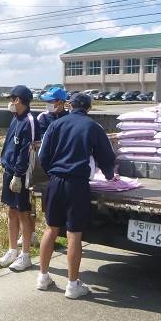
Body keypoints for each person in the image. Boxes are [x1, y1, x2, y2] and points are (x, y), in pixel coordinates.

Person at [36, 92, 115, 299]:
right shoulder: (93, 127)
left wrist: (52, 172)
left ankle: (43, 277)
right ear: (88, 108)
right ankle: (72, 285)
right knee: (73, 234)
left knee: (51, 229)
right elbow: (105, 156)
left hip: (55, 181)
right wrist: (108, 175)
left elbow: (42, 155)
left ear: (70, 105)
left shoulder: (56, 125)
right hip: (77, 184)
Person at [0, 85, 40, 272]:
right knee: (11, 211)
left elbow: (26, 151)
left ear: (18, 100)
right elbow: (10, 144)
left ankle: (26, 255)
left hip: (20, 175)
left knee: (23, 212)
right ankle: (12, 250)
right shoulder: (15, 119)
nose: (10, 103)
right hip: (9, 171)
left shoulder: (29, 121)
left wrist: (18, 175)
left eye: (11, 99)